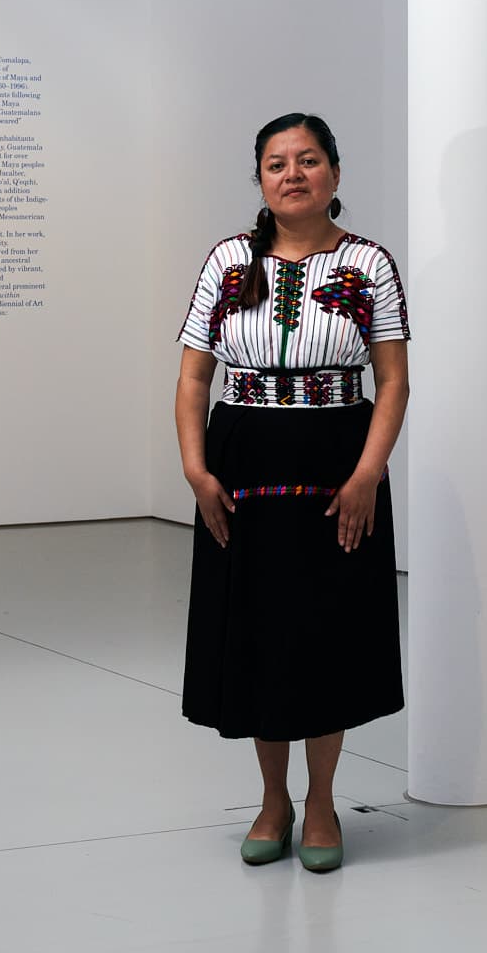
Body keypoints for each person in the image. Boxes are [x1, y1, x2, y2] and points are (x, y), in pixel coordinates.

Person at [175, 113, 410, 873]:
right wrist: (196, 469)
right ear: (261, 181)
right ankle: (272, 800)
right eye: (277, 163)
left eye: (309, 160)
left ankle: (320, 802)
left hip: (338, 453)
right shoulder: (226, 262)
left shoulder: (370, 264)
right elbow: (193, 378)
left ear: (336, 175)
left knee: (324, 632)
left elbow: (393, 379)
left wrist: (369, 471)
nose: (293, 174)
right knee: (258, 630)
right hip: (242, 459)